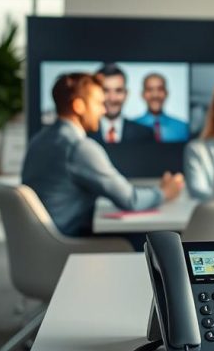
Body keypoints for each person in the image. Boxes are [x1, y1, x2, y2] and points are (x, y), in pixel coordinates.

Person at [22, 72, 184, 239]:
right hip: (68, 244)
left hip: (41, 241)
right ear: (79, 106)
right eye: (99, 103)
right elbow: (131, 200)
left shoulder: (39, 140)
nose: (103, 110)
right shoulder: (79, 147)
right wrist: (165, 191)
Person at [88, 63, 154, 145]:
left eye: (118, 90)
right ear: (95, 94)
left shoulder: (145, 134)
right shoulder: (84, 134)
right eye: (105, 91)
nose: (112, 98)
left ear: (126, 94)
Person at [134, 73, 189, 142]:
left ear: (166, 93)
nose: (155, 95)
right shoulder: (131, 128)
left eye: (160, 89)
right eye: (150, 90)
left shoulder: (183, 128)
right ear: (143, 94)